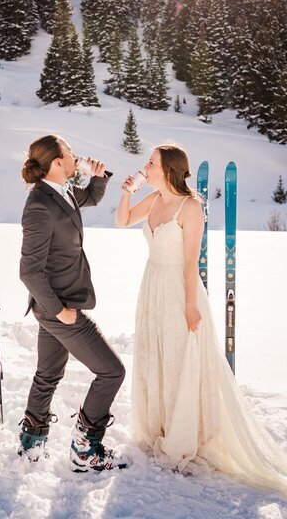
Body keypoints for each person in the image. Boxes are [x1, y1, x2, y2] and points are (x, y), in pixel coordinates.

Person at [116, 144, 287, 496]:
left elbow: (191, 261)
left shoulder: (190, 207)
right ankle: (159, 428)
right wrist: (127, 192)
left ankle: (185, 434)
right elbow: (122, 220)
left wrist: (191, 307)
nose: (145, 168)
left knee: (181, 360)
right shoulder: (153, 200)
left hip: (181, 291)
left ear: (168, 170)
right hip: (152, 287)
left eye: (151, 163)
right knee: (157, 357)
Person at [18, 134, 128, 472]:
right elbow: (29, 271)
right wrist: (60, 311)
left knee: (48, 373)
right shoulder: (39, 205)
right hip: (59, 307)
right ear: (56, 161)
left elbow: (91, 198)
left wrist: (98, 175)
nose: (76, 155)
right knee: (112, 371)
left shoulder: (62, 193)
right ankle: (86, 448)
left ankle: (31, 444)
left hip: (58, 304)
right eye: (70, 152)